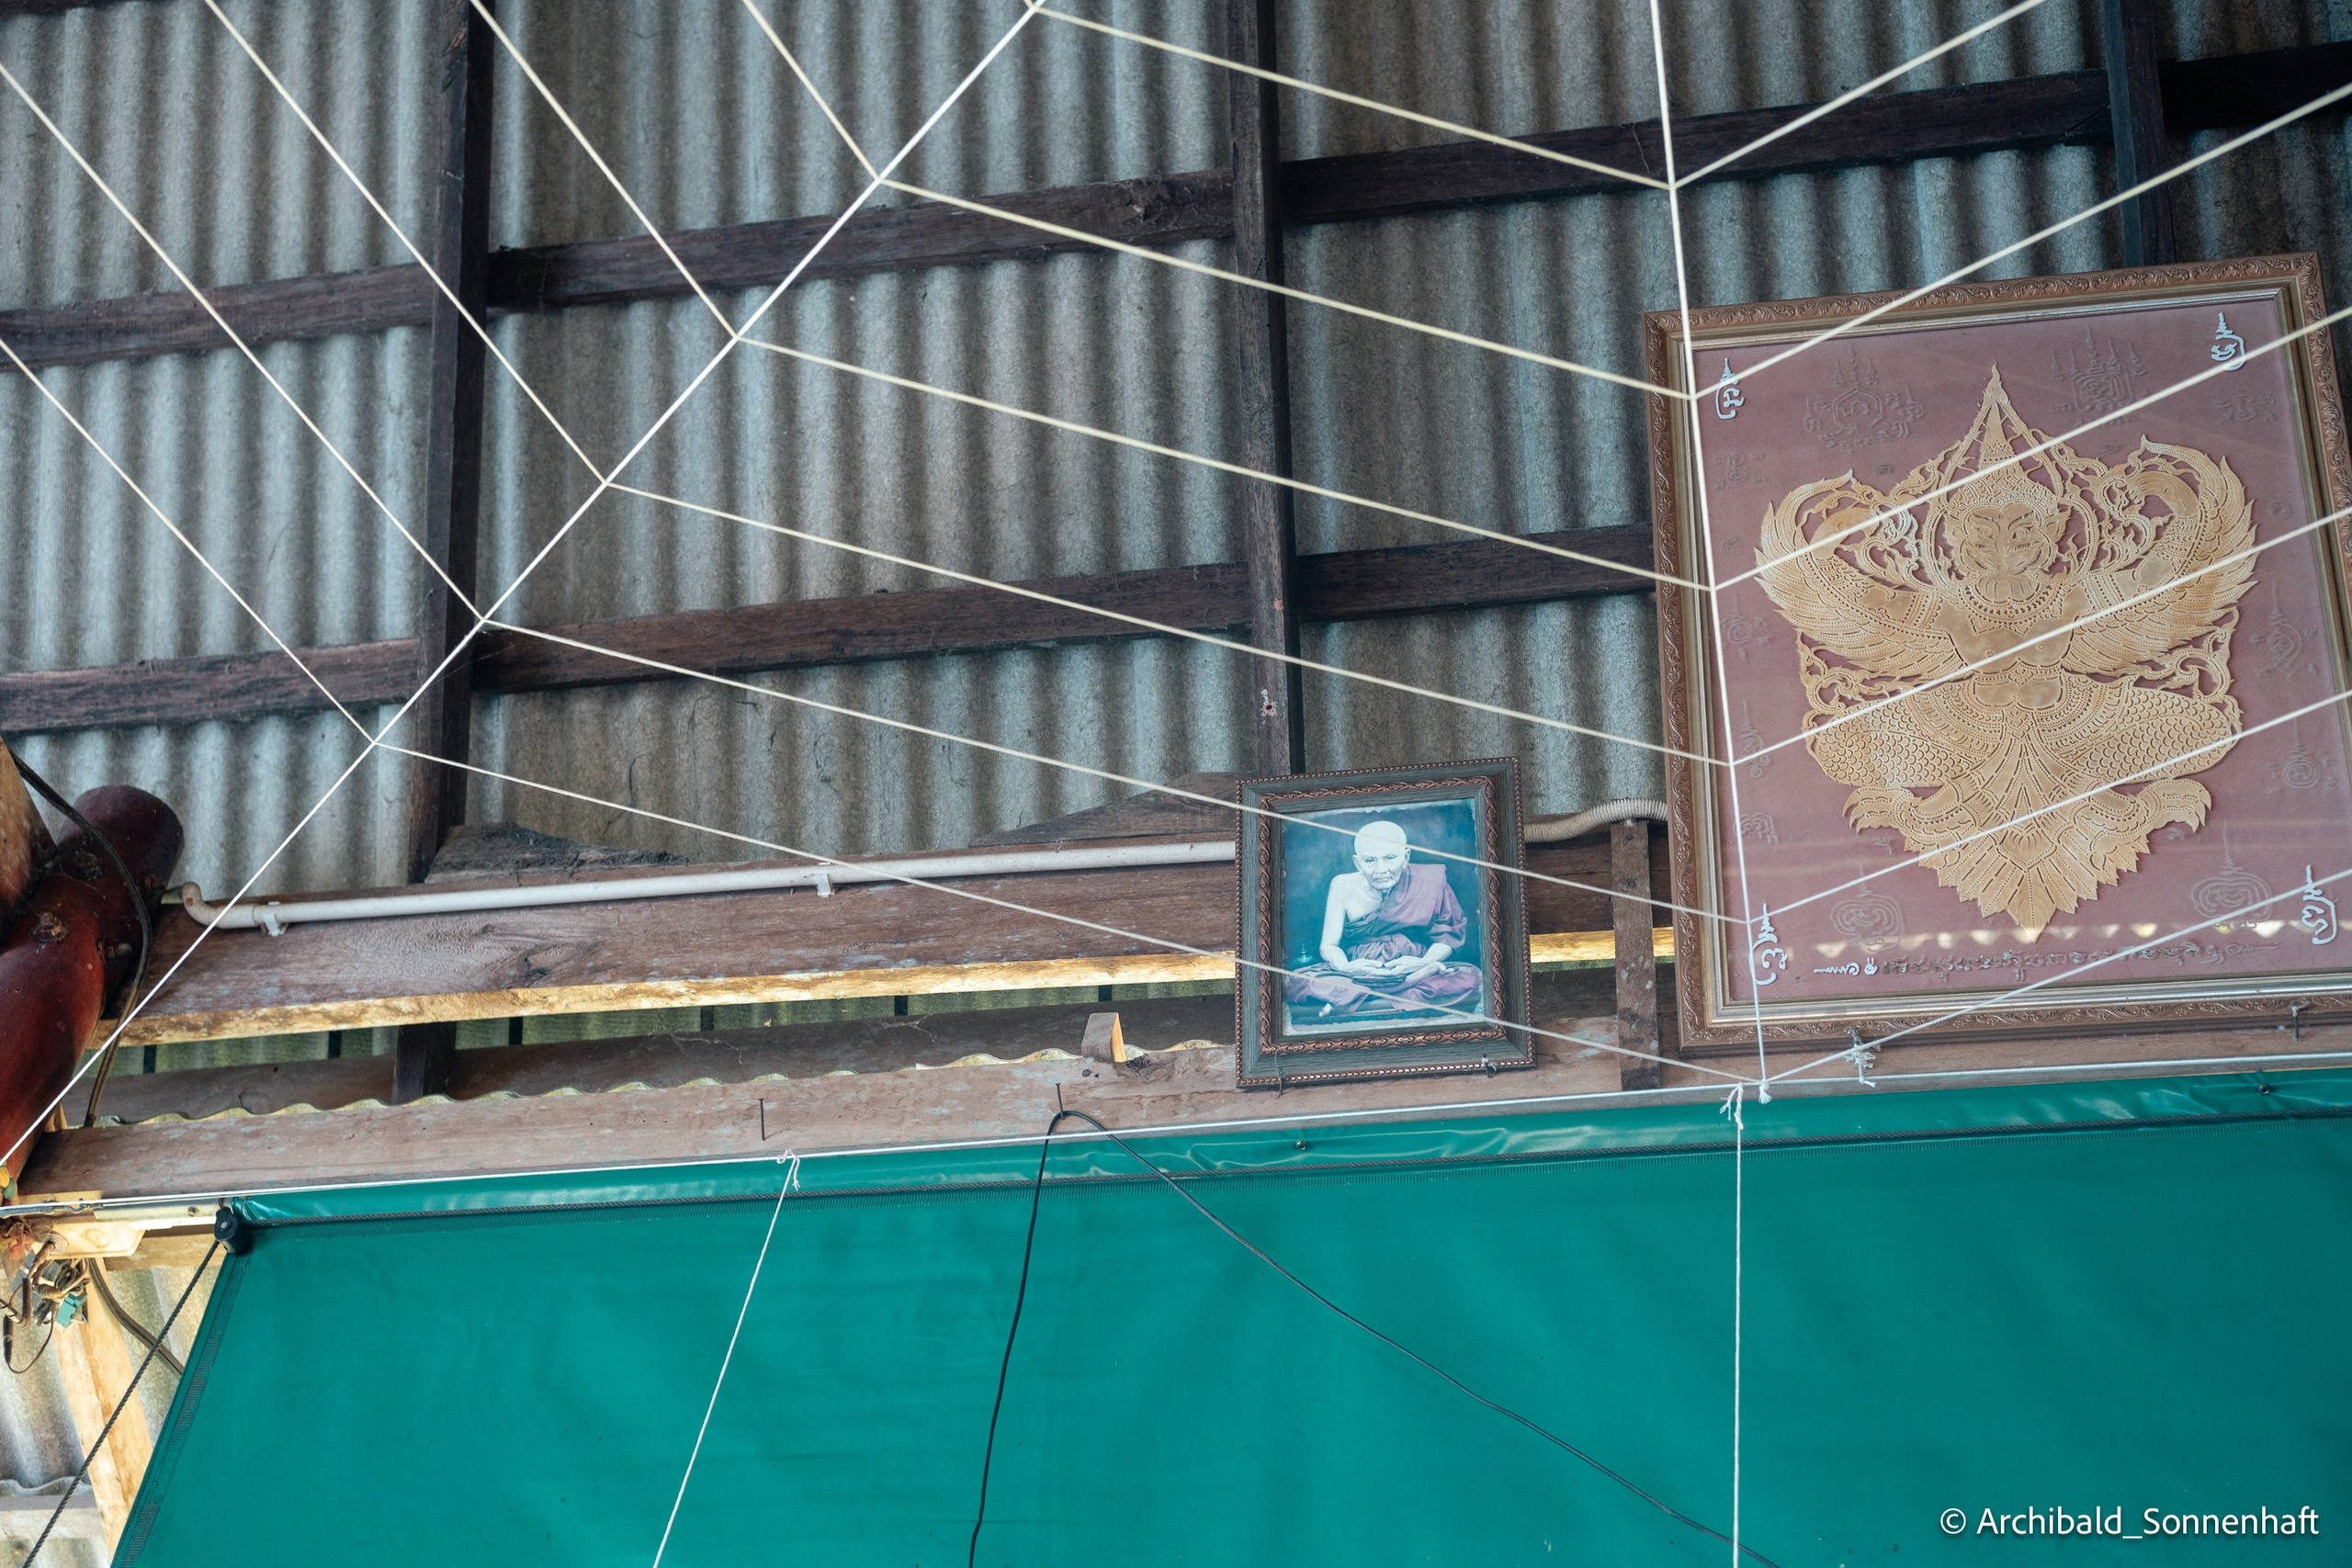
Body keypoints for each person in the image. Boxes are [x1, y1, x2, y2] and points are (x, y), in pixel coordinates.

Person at [1283, 820, 1483, 1026]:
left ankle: (1352, 998)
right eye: (1370, 860)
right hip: (1361, 972)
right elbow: (1329, 945)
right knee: (1297, 981)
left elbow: (1448, 936)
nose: (1381, 869)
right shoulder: (1342, 886)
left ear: (1406, 857)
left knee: (1472, 977)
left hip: (1412, 964)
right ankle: (1403, 987)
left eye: (1389, 858)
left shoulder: (1430, 881)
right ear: (1357, 863)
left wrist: (1424, 963)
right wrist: (1346, 967)